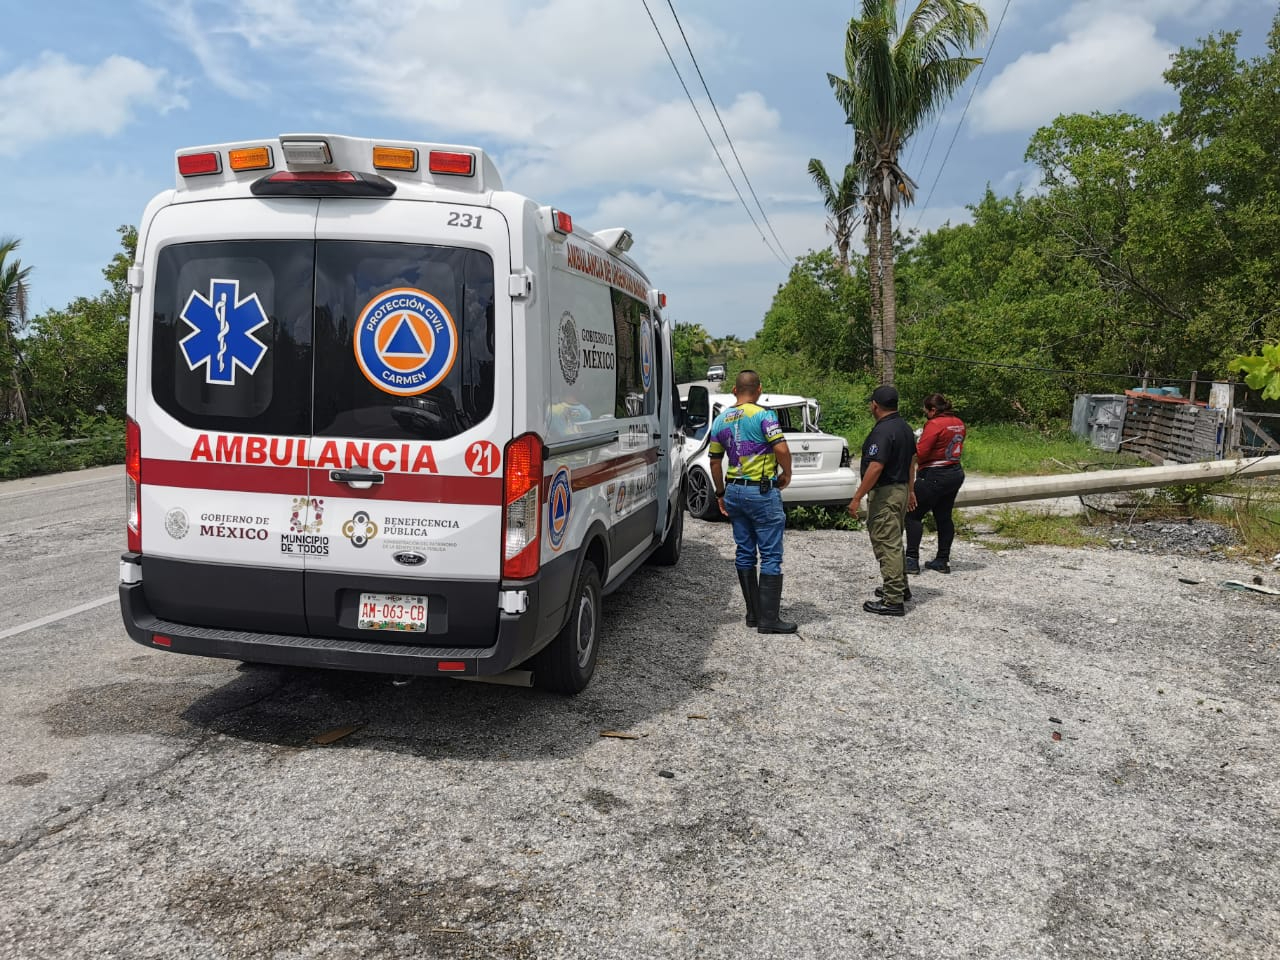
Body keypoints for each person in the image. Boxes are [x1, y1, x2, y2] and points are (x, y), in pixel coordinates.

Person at [708, 370, 797, 634]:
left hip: (734, 490)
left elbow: (714, 461)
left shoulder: (720, 420)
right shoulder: (764, 415)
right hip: (760, 491)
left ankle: (753, 614)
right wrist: (787, 473)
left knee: (745, 551)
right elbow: (780, 447)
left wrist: (720, 493)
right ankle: (769, 620)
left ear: (735, 390)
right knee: (770, 554)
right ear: (758, 390)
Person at [847, 385, 917, 616]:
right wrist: (911, 490)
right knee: (895, 539)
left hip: (886, 493)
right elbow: (911, 462)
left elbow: (876, 466)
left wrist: (857, 497)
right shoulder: (905, 428)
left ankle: (893, 599)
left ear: (875, 405)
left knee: (887, 543)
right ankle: (900, 587)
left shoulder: (883, 431)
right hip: (901, 489)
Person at [905, 392, 966, 575]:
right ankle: (942, 559)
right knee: (944, 516)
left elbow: (921, 453)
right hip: (954, 472)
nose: (925, 413)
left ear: (932, 410)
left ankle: (911, 560)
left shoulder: (934, 424)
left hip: (934, 473)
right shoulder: (959, 423)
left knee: (913, 514)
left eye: (925, 410)